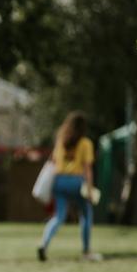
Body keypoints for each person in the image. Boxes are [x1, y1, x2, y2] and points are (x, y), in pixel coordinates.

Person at [38, 112, 97, 262]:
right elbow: (88, 168)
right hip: (76, 182)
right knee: (86, 215)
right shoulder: (85, 143)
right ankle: (86, 251)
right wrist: (89, 190)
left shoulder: (61, 141)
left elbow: (54, 161)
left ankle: (43, 244)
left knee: (59, 216)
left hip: (59, 181)